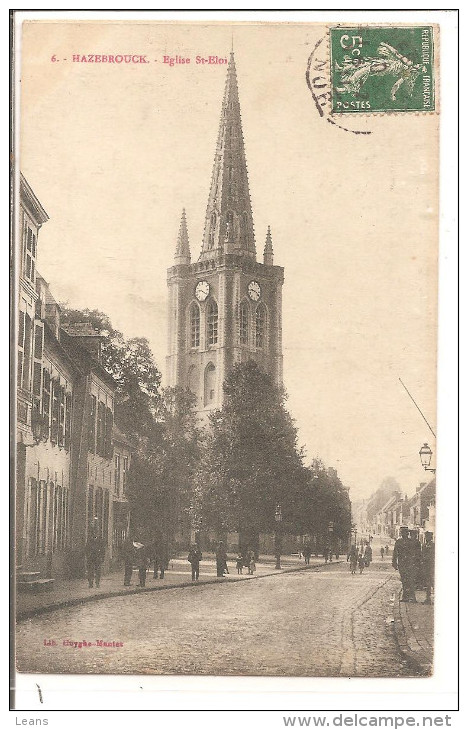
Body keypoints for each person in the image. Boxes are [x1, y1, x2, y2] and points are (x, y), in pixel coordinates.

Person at [392, 526, 417, 602]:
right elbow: (395, 553)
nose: (403, 534)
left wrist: (414, 563)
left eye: (404, 532)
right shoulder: (398, 542)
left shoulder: (411, 542)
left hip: (409, 564)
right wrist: (394, 563)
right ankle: (405, 596)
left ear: (407, 533)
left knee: (410, 580)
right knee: (403, 580)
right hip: (402, 563)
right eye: (402, 532)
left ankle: (412, 597)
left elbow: (414, 554)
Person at [85, 520, 105, 588]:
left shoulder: (100, 540)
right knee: (90, 571)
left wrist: (102, 558)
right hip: (91, 558)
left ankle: (97, 583)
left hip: (98, 558)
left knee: (98, 571)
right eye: (93, 533)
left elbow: (103, 550)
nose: (95, 534)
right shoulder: (89, 540)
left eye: (96, 533)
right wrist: (88, 556)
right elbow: (86, 549)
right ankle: (90, 583)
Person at [421, 532, 435, 604]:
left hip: (431, 566)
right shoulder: (424, 545)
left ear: (431, 537)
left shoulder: (433, 545)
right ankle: (428, 598)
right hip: (425, 566)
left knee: (431, 582)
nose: (426, 538)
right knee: (427, 582)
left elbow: (432, 556)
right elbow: (422, 554)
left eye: (428, 537)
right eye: (426, 537)